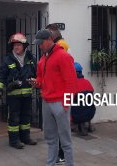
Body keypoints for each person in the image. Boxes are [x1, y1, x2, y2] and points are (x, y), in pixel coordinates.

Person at [30, 29, 77, 166]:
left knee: (65, 141)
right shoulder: (43, 59)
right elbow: (41, 78)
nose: (39, 46)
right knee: (50, 139)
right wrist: (36, 82)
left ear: (50, 39)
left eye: (41, 43)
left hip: (59, 103)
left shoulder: (63, 56)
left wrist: (66, 104)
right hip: (46, 102)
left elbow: (71, 82)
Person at [0, 33, 37, 149]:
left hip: (27, 94)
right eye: (14, 45)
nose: (16, 47)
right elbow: (2, 74)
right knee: (14, 118)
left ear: (24, 46)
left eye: (18, 45)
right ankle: (14, 140)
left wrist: (39, 86)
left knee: (26, 117)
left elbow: (37, 73)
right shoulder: (8, 59)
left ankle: (25, 138)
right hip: (13, 95)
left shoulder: (30, 58)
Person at [46, 23, 69, 164]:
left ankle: (62, 155)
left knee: (61, 130)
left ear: (53, 34)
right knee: (57, 130)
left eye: (47, 34)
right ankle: (58, 155)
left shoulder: (61, 46)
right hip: (56, 94)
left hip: (60, 95)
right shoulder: (58, 45)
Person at [71, 62, 96, 136]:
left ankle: (74, 125)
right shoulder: (87, 82)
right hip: (89, 113)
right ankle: (88, 123)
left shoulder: (72, 84)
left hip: (76, 114)